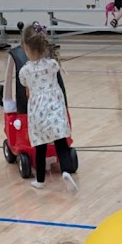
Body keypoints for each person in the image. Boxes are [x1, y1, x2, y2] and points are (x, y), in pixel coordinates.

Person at [18, 22, 77, 192]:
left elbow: (25, 88)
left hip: (38, 113)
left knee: (41, 146)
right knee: (61, 144)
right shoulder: (52, 64)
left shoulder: (25, 71)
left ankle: (41, 180)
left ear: (25, 47)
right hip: (55, 109)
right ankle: (66, 171)